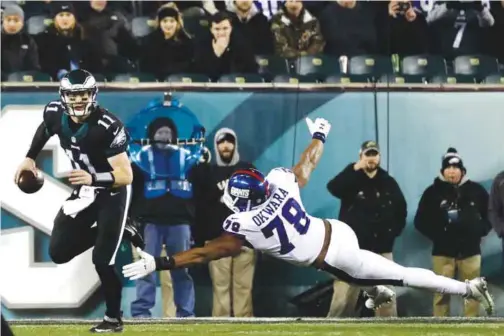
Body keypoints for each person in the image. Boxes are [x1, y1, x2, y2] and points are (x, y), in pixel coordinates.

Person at [123, 117, 495, 316]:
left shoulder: (244, 225)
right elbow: (306, 164)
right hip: (338, 230)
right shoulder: (279, 183)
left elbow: (205, 253)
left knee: (403, 276)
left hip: (333, 256)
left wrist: (159, 262)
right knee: (368, 278)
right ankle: (374, 293)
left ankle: (468, 288)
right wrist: (320, 134)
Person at [14, 69, 144, 333]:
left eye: (83, 93)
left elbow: (125, 175)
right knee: (59, 251)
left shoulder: (108, 125)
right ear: (64, 96)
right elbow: (46, 129)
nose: (79, 100)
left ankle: (113, 319)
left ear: (93, 94)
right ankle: (124, 230)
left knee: (102, 260)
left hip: (112, 191)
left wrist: (93, 177)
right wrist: (30, 156)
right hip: (86, 190)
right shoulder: (54, 113)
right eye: (73, 95)